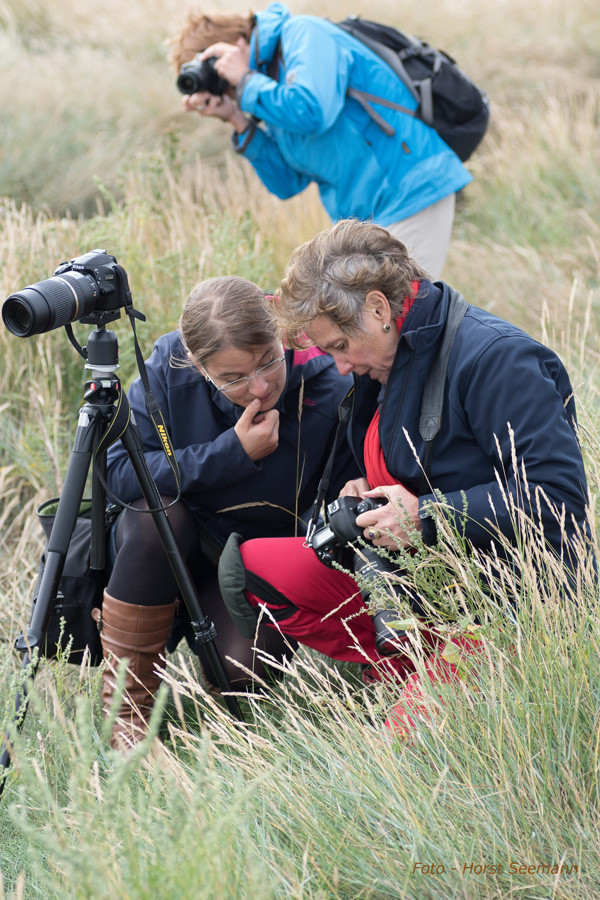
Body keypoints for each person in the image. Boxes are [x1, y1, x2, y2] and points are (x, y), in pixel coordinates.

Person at [219, 219, 592, 735]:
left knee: (405, 752)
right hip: (416, 580)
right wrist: (361, 492)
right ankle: (409, 668)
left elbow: (558, 498)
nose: (340, 366)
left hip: (508, 606)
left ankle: (446, 690)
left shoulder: (496, 358)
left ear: (377, 308)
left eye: (338, 346)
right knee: (250, 567)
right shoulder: (388, 359)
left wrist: (425, 517)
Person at [95, 275, 356, 750]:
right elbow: (118, 472)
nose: (258, 387)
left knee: (239, 671)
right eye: (233, 377)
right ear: (198, 365)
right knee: (157, 517)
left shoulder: (331, 377)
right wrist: (231, 453)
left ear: (282, 332)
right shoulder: (168, 368)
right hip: (169, 545)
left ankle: (212, 689)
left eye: (267, 363)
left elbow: (343, 493)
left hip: (251, 561)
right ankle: (127, 713)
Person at [170, 3, 473, 279]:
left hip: (410, 189)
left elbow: (314, 111)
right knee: (372, 326)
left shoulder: (303, 34)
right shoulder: (267, 89)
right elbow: (288, 184)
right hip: (363, 222)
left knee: (399, 322)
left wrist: (247, 81)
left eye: (215, 70)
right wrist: (236, 119)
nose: (223, 86)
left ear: (235, 44)